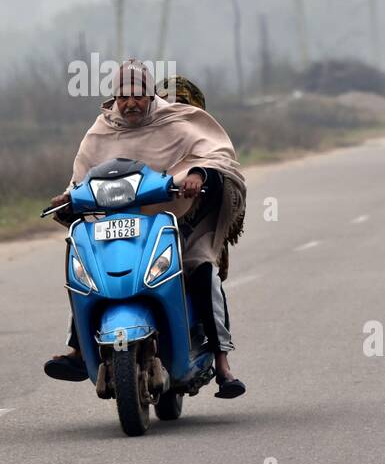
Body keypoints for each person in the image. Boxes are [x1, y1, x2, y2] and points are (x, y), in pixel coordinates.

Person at [43, 60, 248, 398]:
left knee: (201, 268)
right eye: (123, 97)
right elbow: (81, 179)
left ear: (151, 95)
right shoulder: (102, 129)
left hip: (174, 221)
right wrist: (68, 198)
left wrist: (198, 174)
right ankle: (80, 348)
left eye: (138, 96)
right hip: (115, 225)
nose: (131, 104)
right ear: (114, 98)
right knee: (81, 257)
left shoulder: (174, 122)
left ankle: (223, 364)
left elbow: (213, 156)